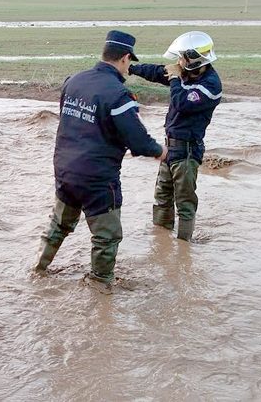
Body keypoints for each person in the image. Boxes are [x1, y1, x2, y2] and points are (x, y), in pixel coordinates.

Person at [34, 30, 167, 292]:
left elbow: (72, 121)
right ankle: (100, 287)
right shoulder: (118, 94)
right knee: (107, 236)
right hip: (97, 177)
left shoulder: (73, 81)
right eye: (130, 62)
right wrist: (161, 152)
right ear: (125, 58)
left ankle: (38, 269)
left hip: (64, 169)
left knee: (59, 224)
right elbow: (138, 141)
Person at [128, 31, 222, 241]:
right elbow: (158, 71)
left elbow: (182, 103)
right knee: (162, 196)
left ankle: (184, 246)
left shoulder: (210, 85)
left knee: (185, 202)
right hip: (170, 148)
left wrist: (174, 79)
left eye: (182, 57)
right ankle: (162, 241)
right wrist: (131, 69)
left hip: (188, 151)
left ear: (194, 59)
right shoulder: (186, 74)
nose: (178, 62)